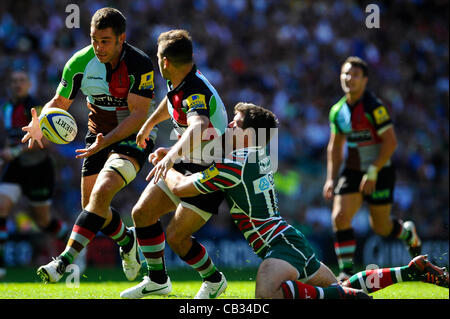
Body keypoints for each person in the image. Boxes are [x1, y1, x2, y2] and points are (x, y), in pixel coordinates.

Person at [160, 102, 448, 299]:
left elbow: (184, 188)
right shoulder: (257, 157)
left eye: (235, 124)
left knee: (265, 292)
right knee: (339, 284)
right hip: (289, 238)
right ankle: (409, 271)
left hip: (280, 244)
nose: (229, 128)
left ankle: (343, 297)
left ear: (249, 134)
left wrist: (168, 165)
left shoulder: (235, 163)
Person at [21, 7, 158, 283]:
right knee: (92, 207)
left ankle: (63, 261)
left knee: (103, 192)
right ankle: (127, 241)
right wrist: (41, 120)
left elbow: (138, 115)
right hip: (97, 137)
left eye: (105, 41)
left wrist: (106, 142)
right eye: (94, 39)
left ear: (122, 38)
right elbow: (59, 104)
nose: (98, 47)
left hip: (133, 137)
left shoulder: (140, 63)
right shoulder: (79, 62)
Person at [119, 29, 228, 299]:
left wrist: (170, 156)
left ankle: (214, 280)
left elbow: (199, 125)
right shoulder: (178, 78)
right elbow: (170, 102)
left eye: (158, 59)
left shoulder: (195, 89)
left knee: (177, 238)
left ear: (164, 62)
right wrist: (149, 123)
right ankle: (157, 280)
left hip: (211, 170)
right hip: (188, 160)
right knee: (142, 213)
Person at [322, 56, 422, 281]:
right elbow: (335, 147)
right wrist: (330, 178)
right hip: (353, 170)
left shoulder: (375, 107)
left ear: (365, 80)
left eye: (355, 75)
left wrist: (373, 171)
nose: (349, 78)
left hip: (380, 170)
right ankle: (346, 272)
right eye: (346, 74)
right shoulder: (337, 111)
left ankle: (407, 233)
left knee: (381, 227)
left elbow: (390, 142)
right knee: (339, 217)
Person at [0, 71, 71, 279]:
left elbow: (45, 141)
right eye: (13, 81)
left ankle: (73, 245)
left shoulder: (38, 108)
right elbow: (10, 139)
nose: (17, 84)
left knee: (43, 222)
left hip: (39, 168)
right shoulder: (6, 108)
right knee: (1, 207)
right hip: (16, 168)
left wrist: (14, 152)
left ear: (29, 84)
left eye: (22, 80)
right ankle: (1, 262)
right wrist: (6, 155)